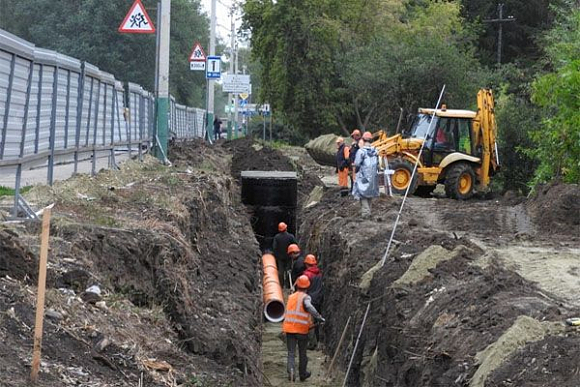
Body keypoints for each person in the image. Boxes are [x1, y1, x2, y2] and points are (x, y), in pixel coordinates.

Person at [283, 275, 325, 382]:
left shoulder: (291, 297)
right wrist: (319, 317)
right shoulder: (306, 297)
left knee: (291, 353)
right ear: (307, 287)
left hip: (289, 329)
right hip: (301, 330)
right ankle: (302, 374)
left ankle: (291, 373)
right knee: (302, 353)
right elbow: (309, 307)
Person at [352, 131, 380, 216]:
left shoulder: (361, 151)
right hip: (373, 178)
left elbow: (356, 164)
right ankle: (368, 211)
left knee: (362, 193)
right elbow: (378, 164)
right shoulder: (375, 151)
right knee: (370, 194)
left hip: (363, 176)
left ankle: (366, 213)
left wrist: (354, 171)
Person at [303, 254, 323, 347]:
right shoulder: (319, 273)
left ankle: (311, 343)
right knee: (317, 321)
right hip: (318, 298)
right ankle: (318, 341)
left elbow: (304, 288)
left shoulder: (306, 275)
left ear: (307, 264)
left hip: (309, 299)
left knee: (309, 322)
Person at [272, 222, 297, 288]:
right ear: (286, 228)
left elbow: (274, 248)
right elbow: (295, 245)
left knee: (281, 272)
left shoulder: (277, 237)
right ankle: (288, 285)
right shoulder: (291, 236)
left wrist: (276, 256)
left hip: (280, 258)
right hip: (289, 256)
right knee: (289, 271)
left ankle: (281, 286)